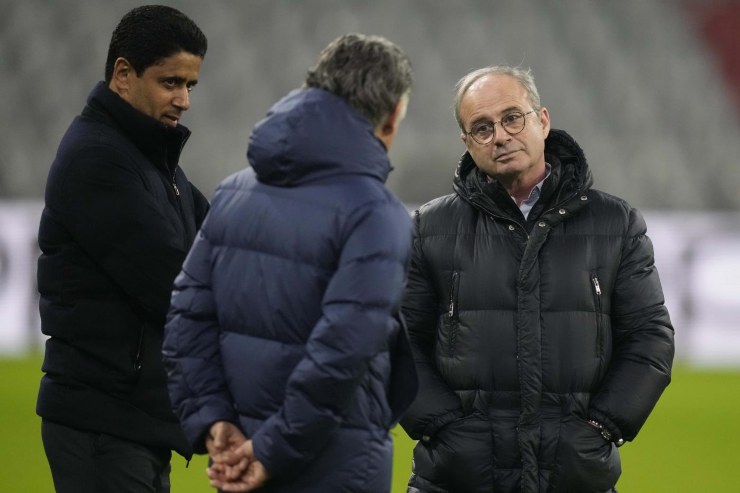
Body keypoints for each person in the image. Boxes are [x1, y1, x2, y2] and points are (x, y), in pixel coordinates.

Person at [399, 66, 675, 493]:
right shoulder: (429, 227)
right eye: (482, 128)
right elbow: (396, 341)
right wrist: (440, 427)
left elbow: (649, 337)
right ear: (467, 143)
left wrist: (604, 427)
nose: (500, 136)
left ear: (543, 121)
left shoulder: (615, 223)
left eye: (512, 117)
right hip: (455, 478)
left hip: (575, 477)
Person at [162, 33, 417, 493]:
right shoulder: (376, 213)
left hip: (237, 460)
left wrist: (215, 420)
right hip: (333, 469)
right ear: (393, 114)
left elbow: (186, 317)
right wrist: (271, 449)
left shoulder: (233, 191)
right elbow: (342, 354)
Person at [36, 5, 209, 492]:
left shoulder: (152, 158)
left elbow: (223, 238)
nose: (184, 100)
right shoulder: (98, 159)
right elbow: (175, 284)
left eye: (190, 85)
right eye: (171, 82)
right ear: (123, 75)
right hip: (102, 425)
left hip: (133, 421)